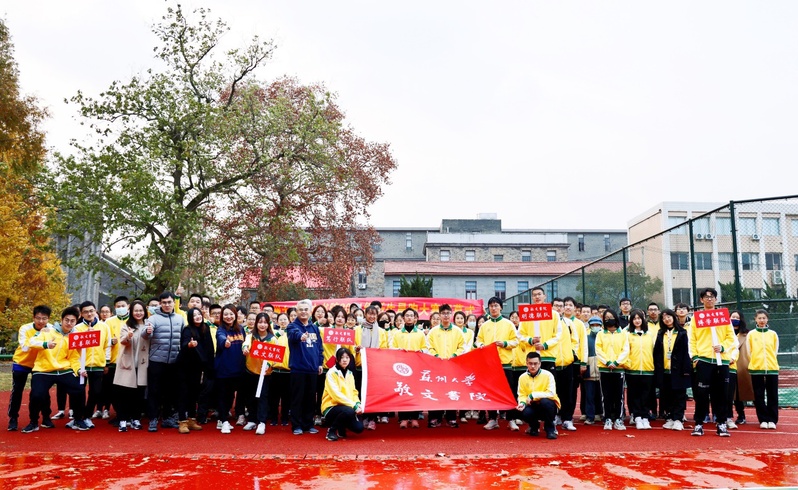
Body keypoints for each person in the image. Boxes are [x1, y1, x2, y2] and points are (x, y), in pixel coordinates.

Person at [23, 307, 88, 432]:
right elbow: (31, 343)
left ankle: (78, 420)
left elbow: (74, 358)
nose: (69, 323)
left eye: (72, 321)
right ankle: (34, 422)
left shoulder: (74, 337)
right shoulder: (47, 331)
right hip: (43, 369)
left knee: (79, 389)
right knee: (36, 394)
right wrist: (45, 344)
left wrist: (79, 369)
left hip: (64, 369)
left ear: (76, 322)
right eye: (66, 320)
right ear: (61, 320)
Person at [688, 287, 737, 437]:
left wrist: (723, 347)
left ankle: (721, 423)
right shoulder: (696, 318)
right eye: (706, 296)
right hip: (703, 360)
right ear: (701, 300)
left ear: (716, 299)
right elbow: (692, 339)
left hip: (722, 361)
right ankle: (699, 424)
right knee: (701, 394)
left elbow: (731, 338)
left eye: (712, 296)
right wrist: (695, 357)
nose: (709, 299)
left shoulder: (723, 317)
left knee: (721, 394)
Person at [143, 291, 185, 432]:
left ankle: (167, 418)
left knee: (170, 391)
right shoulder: (153, 318)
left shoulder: (180, 319)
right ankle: (153, 419)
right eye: (164, 302)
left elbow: (183, 337)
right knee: (154, 391)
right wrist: (147, 331)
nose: (167, 305)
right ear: (160, 304)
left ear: (174, 303)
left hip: (174, 361)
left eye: (169, 302)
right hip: (156, 360)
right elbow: (144, 335)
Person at [475, 297, 518, 431]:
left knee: (509, 392)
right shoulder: (485, 325)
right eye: (491, 306)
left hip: (505, 363)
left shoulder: (508, 324)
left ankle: (511, 419)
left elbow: (516, 341)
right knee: (491, 392)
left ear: (501, 307)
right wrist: (481, 345)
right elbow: (478, 340)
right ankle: (493, 419)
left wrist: (504, 343)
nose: (493, 308)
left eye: (496, 306)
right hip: (489, 364)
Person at [8, 305, 52, 431]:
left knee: (41, 391)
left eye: (44, 318)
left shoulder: (51, 329)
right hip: (21, 362)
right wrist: (40, 336)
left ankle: (46, 417)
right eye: (38, 318)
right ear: (33, 318)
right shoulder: (25, 328)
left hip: (40, 364)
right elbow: (25, 347)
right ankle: (13, 418)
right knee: (17, 391)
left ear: (48, 319)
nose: (41, 321)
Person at [286, 299, 324, 435]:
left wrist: (320, 363)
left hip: (313, 369)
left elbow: (319, 347)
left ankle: (308, 424)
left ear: (310, 311)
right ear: (296, 312)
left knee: (310, 398)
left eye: (306, 309)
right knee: (297, 398)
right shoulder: (292, 326)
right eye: (300, 309)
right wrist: (301, 336)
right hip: (298, 369)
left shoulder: (314, 328)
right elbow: (293, 335)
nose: (303, 312)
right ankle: (296, 425)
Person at [113, 300, 151, 432]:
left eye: (141, 310)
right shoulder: (127, 325)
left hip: (142, 364)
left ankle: (136, 419)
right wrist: (129, 336)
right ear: (131, 312)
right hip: (127, 364)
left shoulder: (148, 325)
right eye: (136, 311)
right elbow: (123, 341)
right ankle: (123, 420)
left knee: (139, 395)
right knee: (125, 394)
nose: (138, 313)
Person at [426, 304, 465, 428]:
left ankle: (451, 417)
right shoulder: (433, 332)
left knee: (451, 392)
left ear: (451, 314)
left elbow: (462, 347)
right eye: (443, 313)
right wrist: (436, 356)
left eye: (448, 313)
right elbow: (428, 347)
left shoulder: (457, 331)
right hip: (436, 366)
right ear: (440, 315)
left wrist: (454, 355)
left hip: (452, 367)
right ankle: (434, 417)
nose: (446, 316)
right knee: (436, 392)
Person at [176, 307, 213, 434]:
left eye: (199, 314)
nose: (197, 316)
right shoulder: (187, 329)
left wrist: (208, 365)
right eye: (194, 315)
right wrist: (190, 345)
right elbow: (184, 344)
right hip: (184, 366)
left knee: (194, 393)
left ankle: (192, 420)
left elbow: (209, 347)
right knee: (183, 393)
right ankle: (182, 421)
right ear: (190, 318)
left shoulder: (205, 328)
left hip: (198, 367)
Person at [75, 301, 112, 429]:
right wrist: (86, 335)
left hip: (98, 364)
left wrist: (106, 362)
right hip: (81, 366)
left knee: (95, 392)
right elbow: (74, 347)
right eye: (85, 312)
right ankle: (77, 417)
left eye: (91, 311)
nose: (89, 314)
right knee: (79, 392)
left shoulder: (104, 326)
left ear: (96, 311)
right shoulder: (77, 328)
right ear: (81, 314)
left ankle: (87, 416)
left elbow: (107, 345)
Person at [390, 308, 427, 429]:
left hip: (416, 366)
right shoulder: (397, 334)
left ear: (415, 318)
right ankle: (403, 418)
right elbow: (392, 347)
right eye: (407, 315)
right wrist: (399, 351)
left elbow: (426, 348)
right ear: (403, 318)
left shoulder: (420, 334)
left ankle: (415, 417)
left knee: (415, 392)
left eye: (412, 315)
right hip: (401, 367)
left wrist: (420, 351)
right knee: (403, 391)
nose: (409, 317)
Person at [242, 312, 276, 435]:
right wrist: (245, 349)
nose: (262, 325)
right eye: (260, 322)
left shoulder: (272, 339)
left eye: (265, 322)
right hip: (251, 371)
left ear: (268, 324)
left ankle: (261, 422)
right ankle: (252, 420)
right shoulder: (251, 336)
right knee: (250, 396)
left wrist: (269, 364)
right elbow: (246, 344)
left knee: (262, 397)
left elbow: (275, 356)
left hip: (265, 374)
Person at [595, 308, 629, 431]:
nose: (609, 320)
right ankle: (607, 418)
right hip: (604, 369)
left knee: (619, 396)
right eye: (606, 318)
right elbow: (598, 350)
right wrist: (607, 362)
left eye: (611, 317)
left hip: (618, 369)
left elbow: (626, 349)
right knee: (606, 395)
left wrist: (617, 362)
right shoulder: (600, 333)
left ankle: (619, 419)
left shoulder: (623, 333)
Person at [215, 304, 246, 434]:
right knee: (224, 396)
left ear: (235, 315)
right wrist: (225, 342)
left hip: (239, 368)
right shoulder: (221, 329)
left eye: (231, 314)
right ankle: (224, 421)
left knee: (236, 395)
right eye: (226, 314)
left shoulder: (241, 329)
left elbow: (246, 343)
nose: (229, 317)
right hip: (224, 369)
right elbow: (221, 338)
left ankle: (227, 418)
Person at [322, 347, 364, 441]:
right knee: (349, 411)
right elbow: (336, 395)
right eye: (342, 357)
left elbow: (353, 392)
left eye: (347, 357)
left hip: (347, 406)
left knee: (359, 428)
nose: (345, 360)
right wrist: (353, 405)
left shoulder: (350, 374)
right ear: (337, 359)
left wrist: (357, 403)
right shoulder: (331, 373)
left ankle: (341, 427)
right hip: (331, 407)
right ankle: (331, 431)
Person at [356, 305, 388, 429]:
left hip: (375, 367)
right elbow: (352, 346)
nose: (371, 316)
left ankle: (372, 419)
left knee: (373, 394)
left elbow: (384, 349)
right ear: (365, 315)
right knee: (360, 392)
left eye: (374, 314)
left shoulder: (381, 331)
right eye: (369, 314)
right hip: (360, 366)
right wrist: (356, 349)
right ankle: (362, 417)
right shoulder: (357, 329)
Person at [747, 309, 779, 429]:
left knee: (773, 394)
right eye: (759, 318)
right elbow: (749, 352)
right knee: (758, 395)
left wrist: (770, 362)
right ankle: (763, 419)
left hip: (772, 368)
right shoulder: (751, 334)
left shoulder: (773, 334)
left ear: (767, 319)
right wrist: (755, 362)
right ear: (755, 319)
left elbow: (775, 350)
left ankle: (772, 420)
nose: (762, 320)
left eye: (764, 318)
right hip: (756, 368)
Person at [516, 351, 560, 440]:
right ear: (526, 363)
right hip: (532, 405)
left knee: (545, 402)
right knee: (524, 411)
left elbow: (551, 393)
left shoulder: (548, 375)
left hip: (548, 405)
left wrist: (533, 395)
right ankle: (534, 427)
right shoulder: (522, 377)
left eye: (535, 363)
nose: (533, 366)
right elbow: (521, 394)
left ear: (540, 364)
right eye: (530, 363)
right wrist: (522, 403)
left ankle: (550, 429)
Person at [625, 309, 655, 430]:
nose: (637, 321)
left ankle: (645, 417)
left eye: (639, 318)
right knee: (635, 394)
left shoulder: (650, 335)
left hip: (648, 369)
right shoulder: (628, 335)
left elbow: (654, 351)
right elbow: (626, 351)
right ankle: (637, 417)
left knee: (646, 395)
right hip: (633, 370)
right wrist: (629, 365)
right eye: (634, 319)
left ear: (643, 319)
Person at [101, 296, 129, 421]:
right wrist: (106, 362)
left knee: (127, 390)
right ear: (115, 308)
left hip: (129, 362)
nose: (121, 308)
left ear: (128, 306)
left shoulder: (133, 320)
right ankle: (118, 414)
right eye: (118, 306)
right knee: (113, 390)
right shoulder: (108, 322)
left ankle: (128, 414)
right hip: (113, 362)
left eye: (123, 306)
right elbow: (104, 342)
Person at [729, 310, 753, 426]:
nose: (734, 319)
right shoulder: (726, 332)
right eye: (732, 317)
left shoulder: (747, 334)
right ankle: (731, 415)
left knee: (741, 392)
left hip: (742, 365)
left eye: (737, 317)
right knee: (731, 392)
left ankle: (742, 415)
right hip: (728, 365)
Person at [268, 313, 291, 426]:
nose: (283, 321)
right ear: (277, 322)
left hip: (288, 371)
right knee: (274, 397)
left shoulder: (292, 333)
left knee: (287, 397)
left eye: (285, 319)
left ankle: (285, 418)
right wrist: (277, 334)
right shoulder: (273, 333)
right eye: (280, 319)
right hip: (275, 371)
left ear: (289, 321)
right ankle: (274, 418)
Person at [582, 316, 603, 425]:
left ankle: (599, 413)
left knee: (600, 394)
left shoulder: (604, 336)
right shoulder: (586, 337)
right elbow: (583, 352)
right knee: (589, 395)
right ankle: (590, 416)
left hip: (601, 369)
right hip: (589, 369)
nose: (595, 327)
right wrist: (583, 364)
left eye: (597, 325)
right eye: (593, 325)